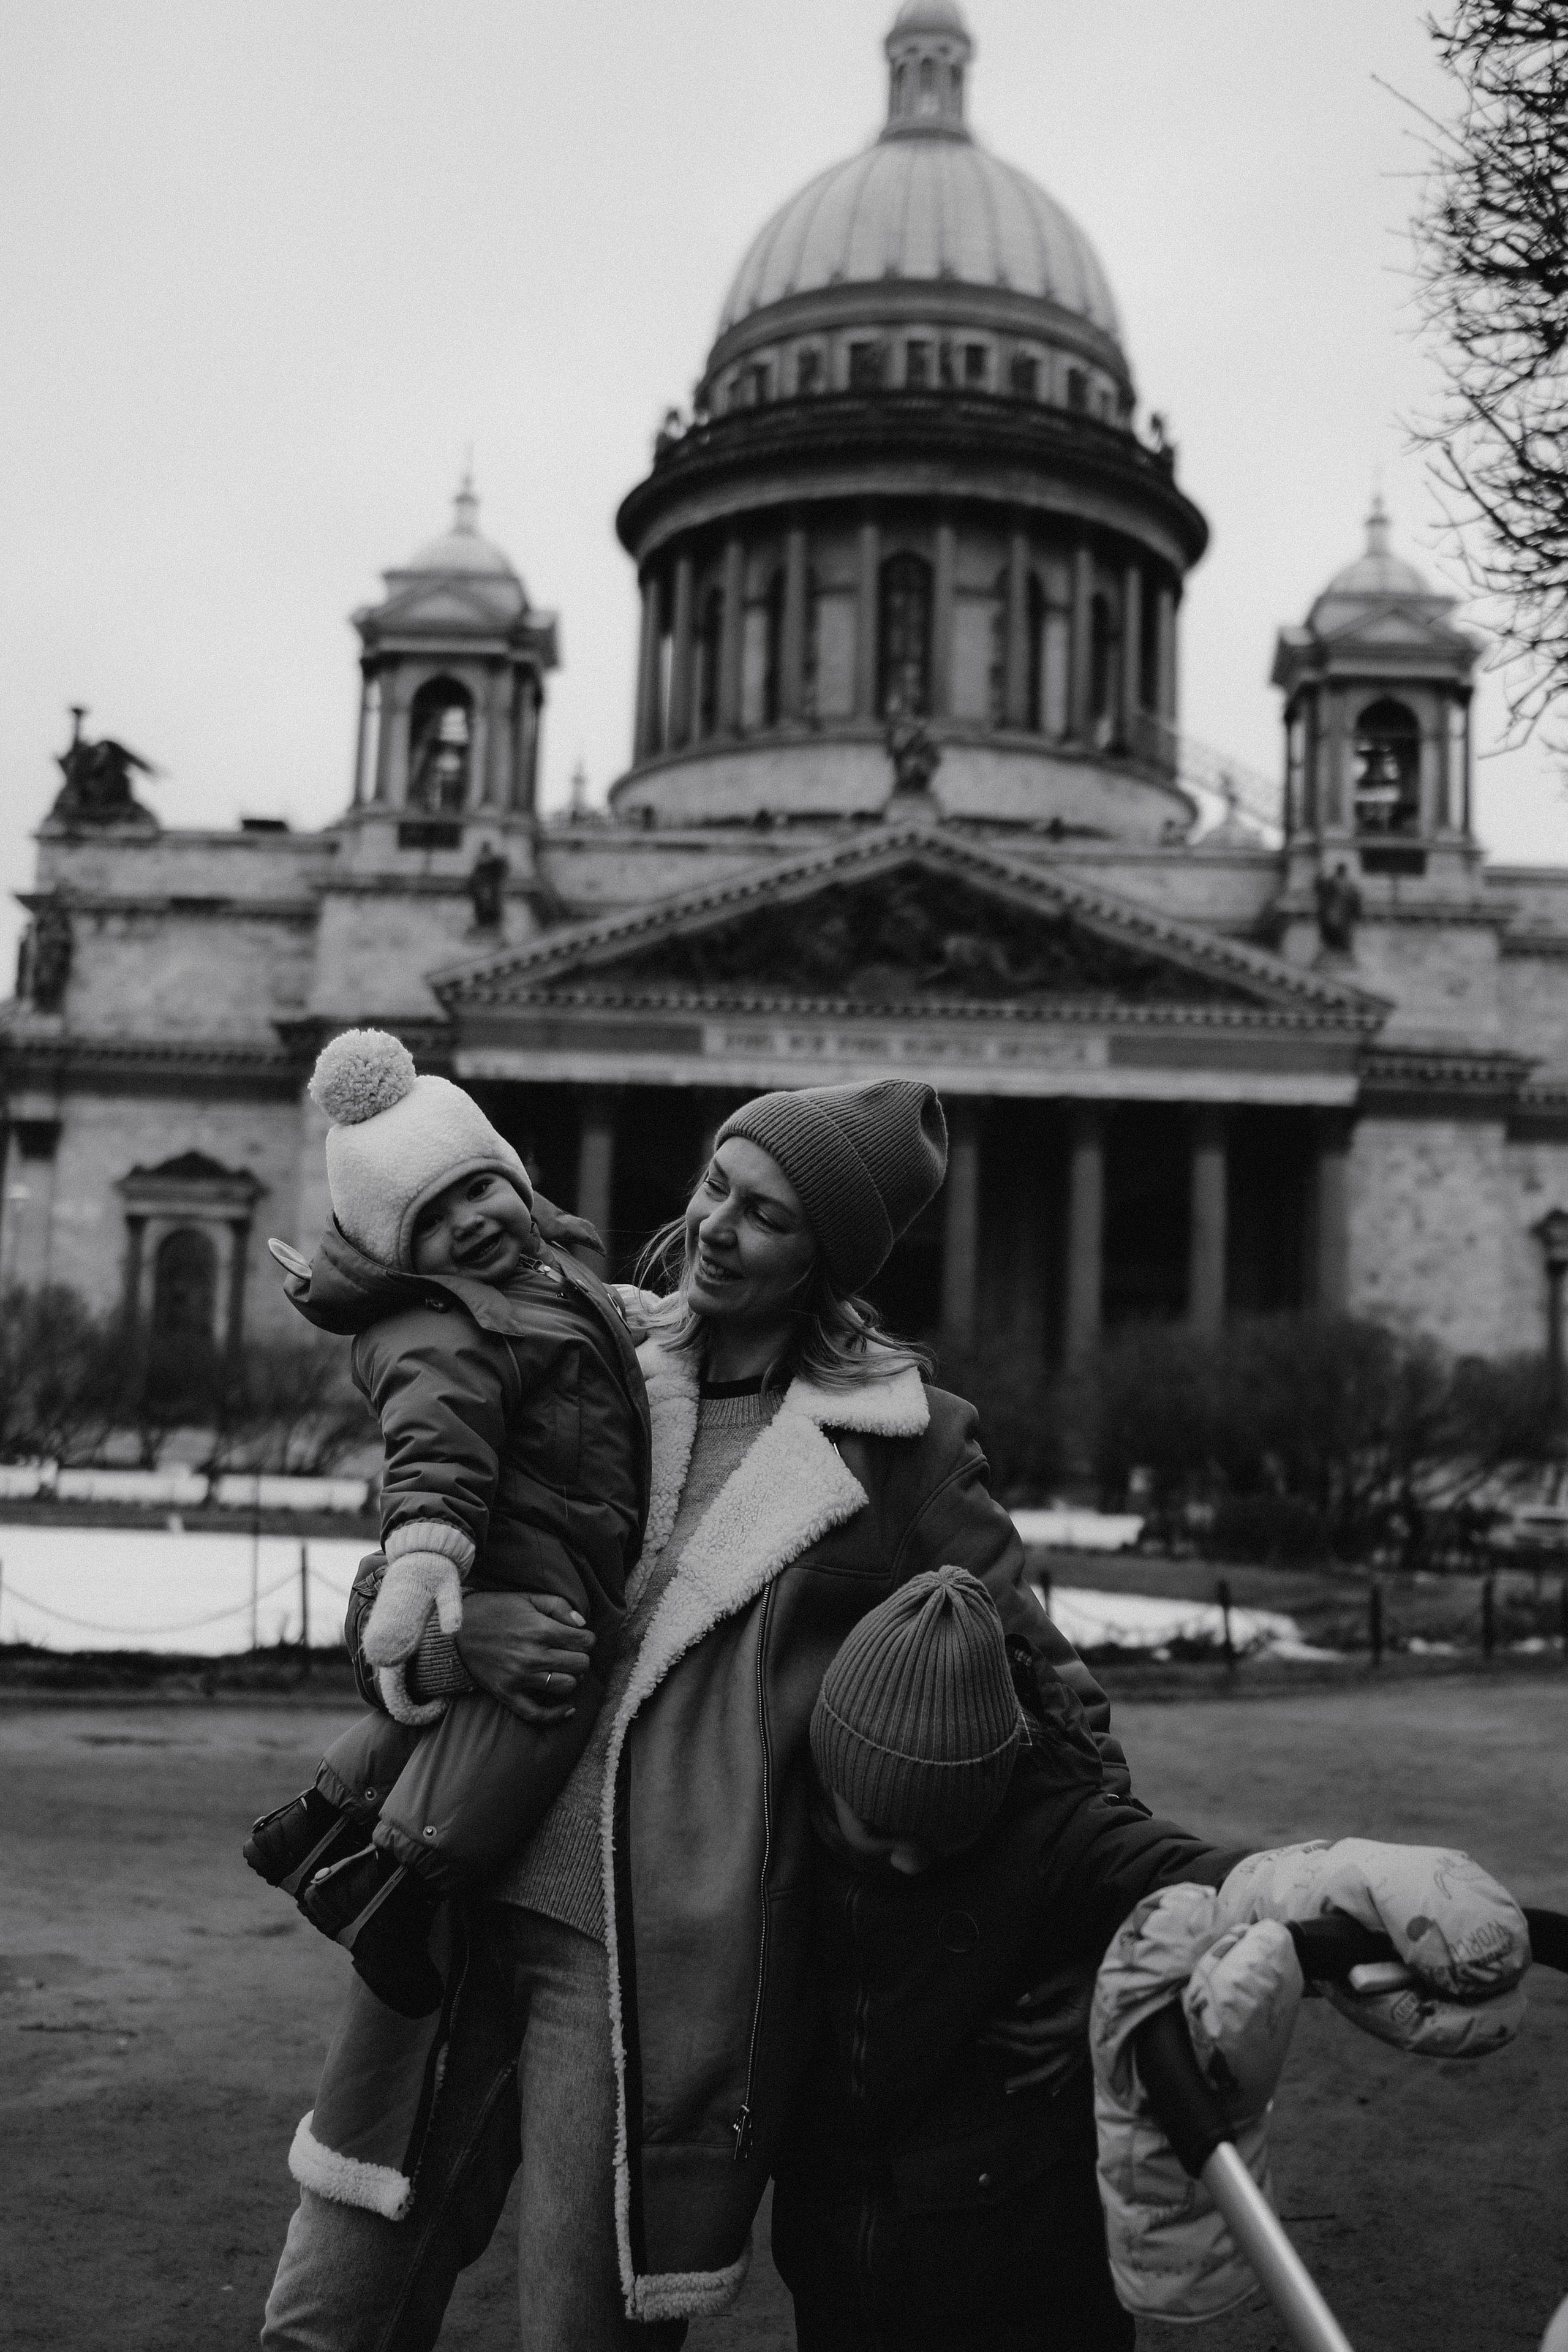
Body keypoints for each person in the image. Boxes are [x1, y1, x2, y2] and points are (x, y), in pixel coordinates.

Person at [261, 1075, 1125, 2351]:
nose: (717, 1226)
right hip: (441, 1895)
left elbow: (1047, 1704)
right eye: (717, 1185)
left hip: (640, 1976)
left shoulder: (902, 1447)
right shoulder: (577, 1343)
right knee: (324, 2319)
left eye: (767, 1216)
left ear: (827, 1254)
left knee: (583, 2338)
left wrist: (1103, 1924)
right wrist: (455, 1636)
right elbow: (405, 1580)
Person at [775, 1566, 1532, 2352]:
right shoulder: (774, 1841)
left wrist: (1335, 1886)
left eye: (942, 1839)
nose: (907, 1862)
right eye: (876, 1830)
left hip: (1029, 2272)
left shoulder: (1046, 1830)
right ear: (828, 1773)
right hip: (835, 2267)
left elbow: (1181, 1875)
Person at [244, 1027, 648, 2019]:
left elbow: (576, 1310)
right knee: (539, 1703)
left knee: (472, 1712)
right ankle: (393, 1887)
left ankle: (323, 1816)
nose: (469, 1223)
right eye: (430, 1217)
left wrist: (631, 1314)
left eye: (479, 1189)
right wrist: (427, 1584)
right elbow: (434, 1459)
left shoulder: (546, 1281)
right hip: (527, 1568)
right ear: (396, 1252)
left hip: (555, 1558)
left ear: (515, 1176)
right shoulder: (445, 1330)